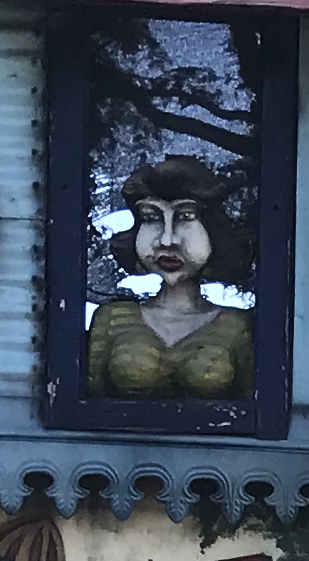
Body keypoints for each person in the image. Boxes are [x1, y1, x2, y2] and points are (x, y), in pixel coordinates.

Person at [85, 157, 256, 405]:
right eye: (151, 218)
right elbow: (90, 402)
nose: (167, 240)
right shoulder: (111, 318)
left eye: (186, 217)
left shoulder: (236, 326)